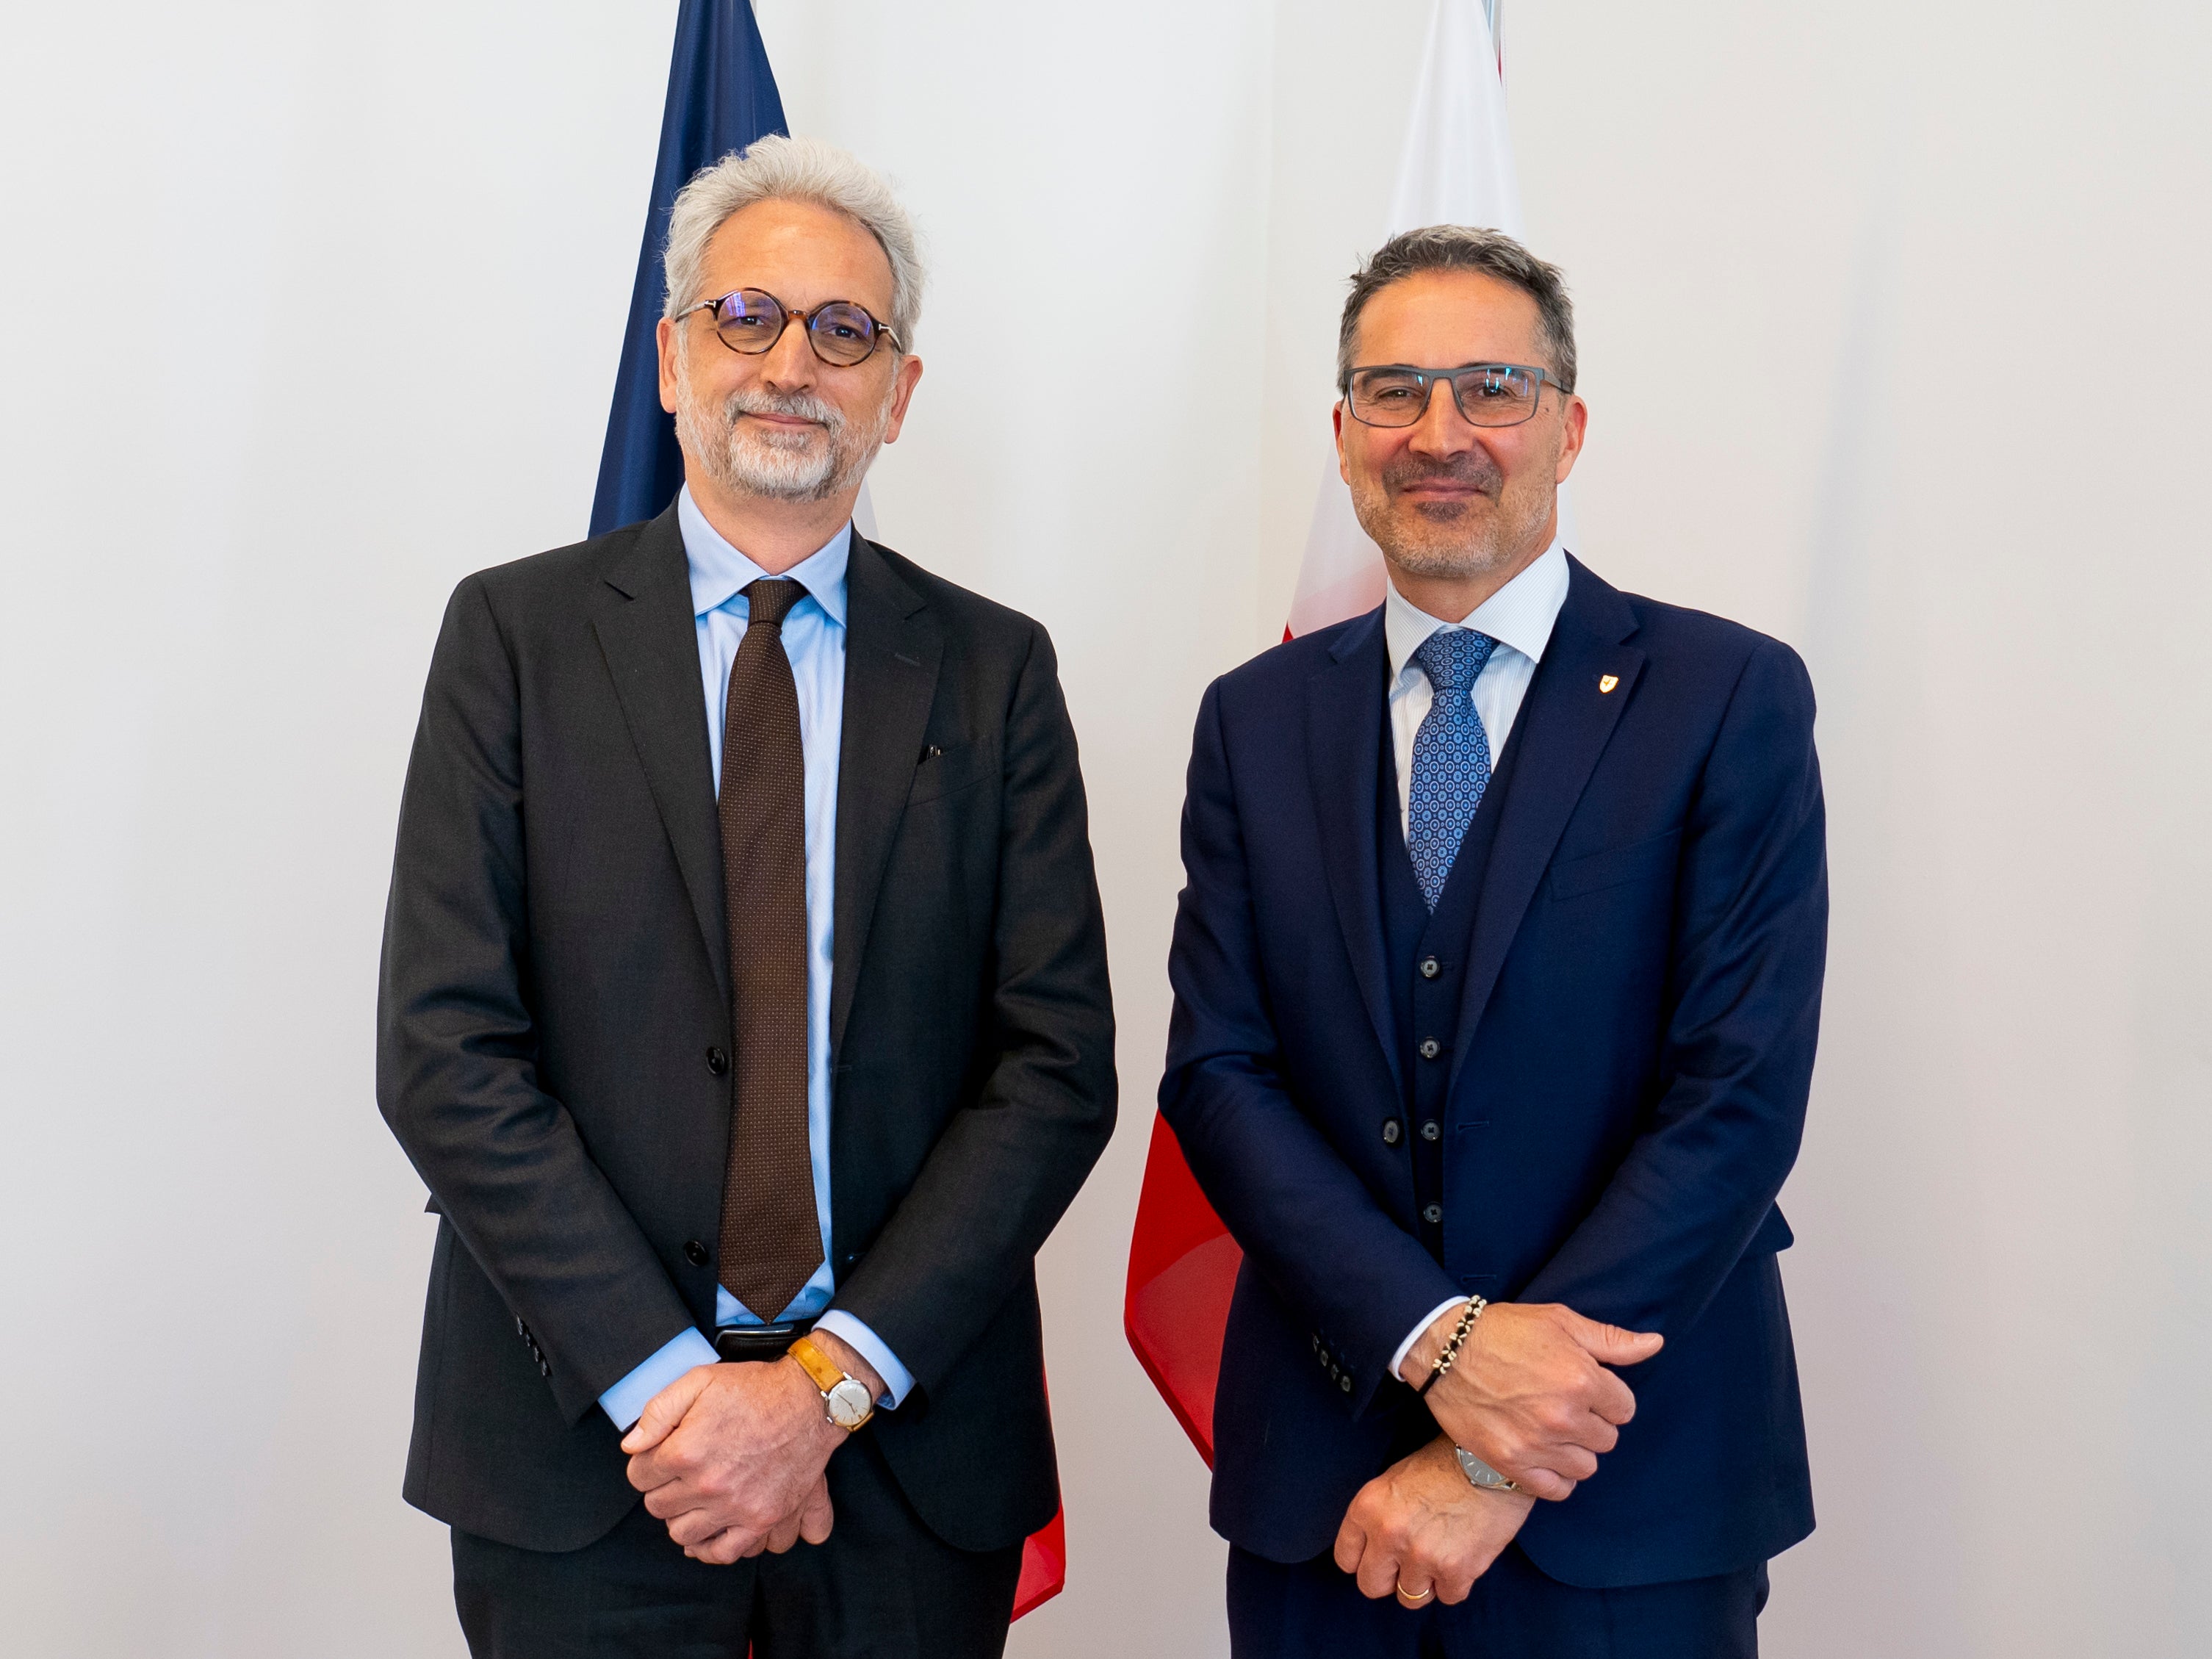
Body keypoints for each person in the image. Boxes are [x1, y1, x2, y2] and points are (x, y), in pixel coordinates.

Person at [377, 134, 1116, 1659]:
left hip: (902, 1465)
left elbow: (1053, 1070)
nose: (792, 362)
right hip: (588, 1461)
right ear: (671, 358)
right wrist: (679, 1391)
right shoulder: (512, 639)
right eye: (747, 316)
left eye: (844, 330)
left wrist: (827, 1384)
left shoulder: (996, 672)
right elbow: (446, 1050)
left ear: (897, 393)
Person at [1159, 226, 1824, 1657]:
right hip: (1321, 1487)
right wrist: (1436, 1342)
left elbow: (1737, 1097)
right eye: (1394, 392)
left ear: (1568, 427)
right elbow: (1220, 1072)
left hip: (1632, 1493)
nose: (1439, 434)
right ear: (1343, 435)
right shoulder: (1254, 722)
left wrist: (1497, 1445)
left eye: (1491, 389)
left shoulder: (1726, 698)